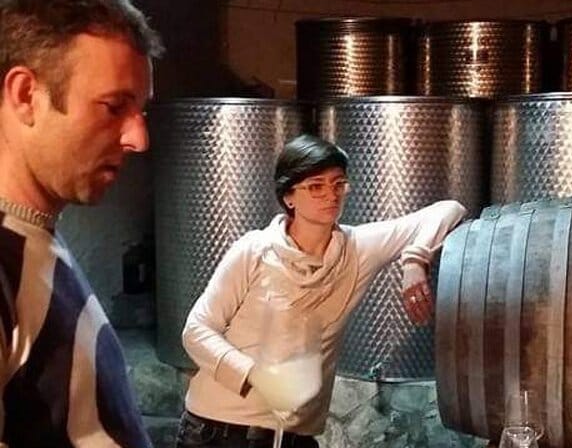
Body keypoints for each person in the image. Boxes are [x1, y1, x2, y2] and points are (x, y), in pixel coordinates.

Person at [179, 134, 467, 447]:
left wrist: (415, 260)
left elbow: (449, 209)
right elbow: (196, 330)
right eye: (316, 186)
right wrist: (255, 376)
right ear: (289, 196)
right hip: (219, 429)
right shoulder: (254, 250)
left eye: (338, 184)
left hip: (293, 437)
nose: (331, 195)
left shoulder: (356, 249)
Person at [0, 0, 163, 447]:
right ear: (26, 95)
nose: (138, 138)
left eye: (141, 111)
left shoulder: (34, 236)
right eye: (113, 107)